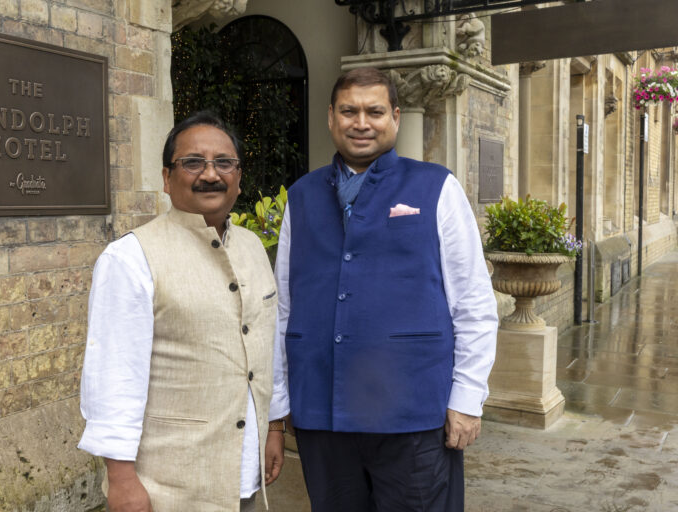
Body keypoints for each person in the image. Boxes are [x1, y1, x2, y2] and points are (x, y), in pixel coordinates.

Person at [274, 67, 498, 511]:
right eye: (349, 111)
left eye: (374, 111)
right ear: (331, 118)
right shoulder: (300, 197)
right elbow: (284, 306)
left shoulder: (436, 187)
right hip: (323, 412)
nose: (361, 122)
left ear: (394, 116)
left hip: (412, 413)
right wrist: (279, 406)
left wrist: (468, 398)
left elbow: (472, 301)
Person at [78, 111, 289, 512]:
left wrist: (275, 425)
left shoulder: (251, 248)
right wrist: (121, 480)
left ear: (239, 177)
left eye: (224, 163)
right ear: (166, 177)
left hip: (246, 472)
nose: (210, 174)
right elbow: (114, 375)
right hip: (170, 486)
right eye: (193, 162)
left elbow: (266, 346)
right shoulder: (132, 257)